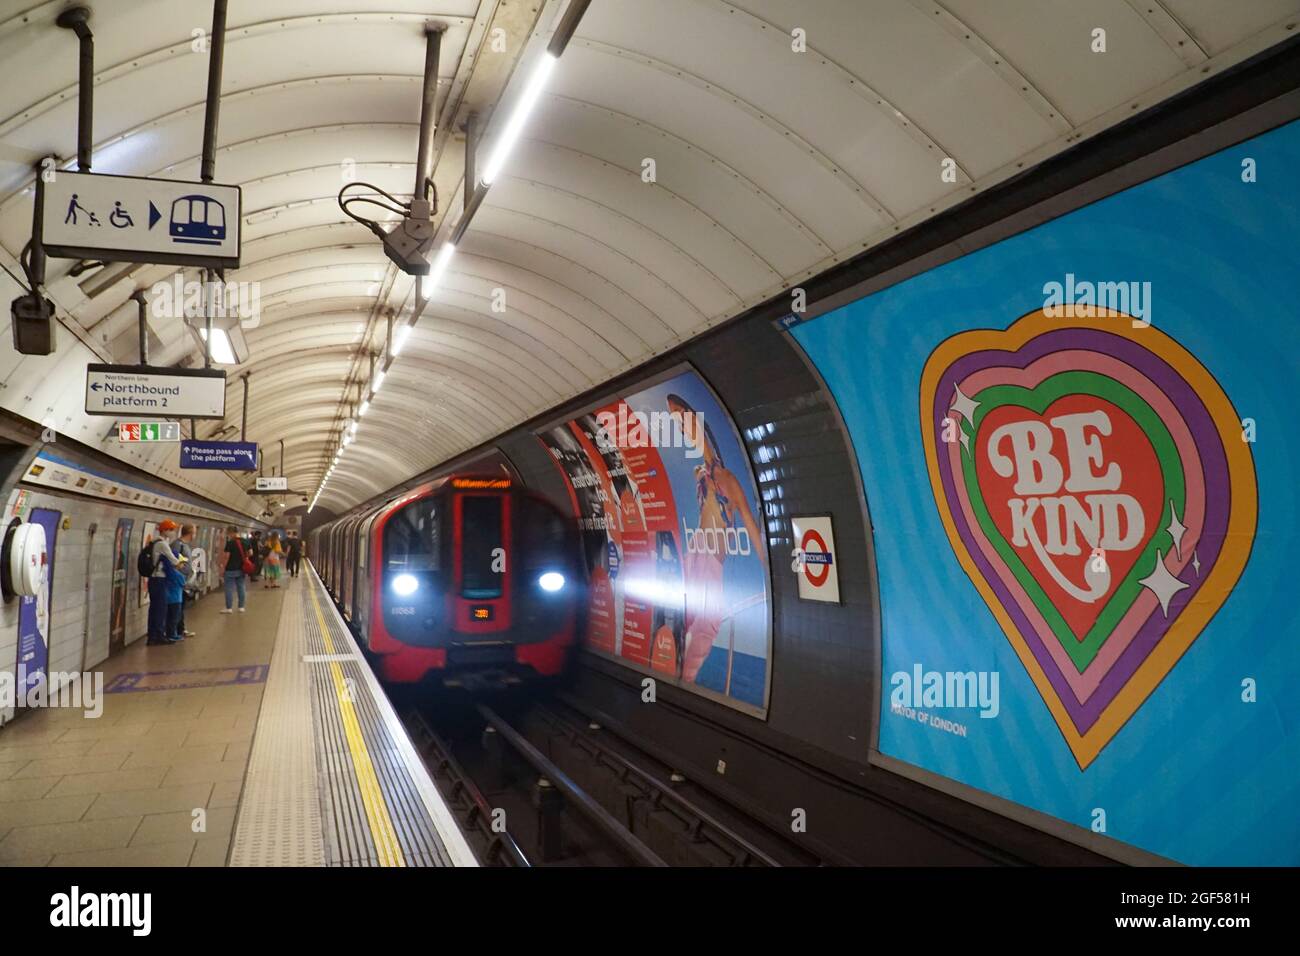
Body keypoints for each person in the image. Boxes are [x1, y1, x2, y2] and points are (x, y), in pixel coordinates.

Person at [146, 520, 187, 645]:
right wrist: (182, 563)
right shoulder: (162, 544)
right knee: (160, 608)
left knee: (154, 608)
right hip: (159, 579)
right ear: (164, 530)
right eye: (170, 530)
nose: (172, 532)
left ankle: (153, 635)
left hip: (153, 579)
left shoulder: (154, 542)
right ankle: (158, 635)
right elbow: (175, 562)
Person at [173, 524, 198, 639]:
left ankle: (180, 630)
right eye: (194, 532)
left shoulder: (185, 545)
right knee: (178, 607)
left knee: (181, 606)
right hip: (178, 580)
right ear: (190, 533)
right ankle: (176, 631)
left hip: (184, 581)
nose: (195, 535)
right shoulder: (178, 545)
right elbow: (173, 562)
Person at [221, 525, 249, 614]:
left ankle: (229, 608)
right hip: (241, 568)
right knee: (241, 587)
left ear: (231, 532)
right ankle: (241, 607)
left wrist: (223, 567)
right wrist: (244, 557)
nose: (227, 535)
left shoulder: (230, 543)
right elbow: (250, 553)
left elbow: (226, 557)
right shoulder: (245, 541)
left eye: (228, 533)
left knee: (229, 588)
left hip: (230, 569)